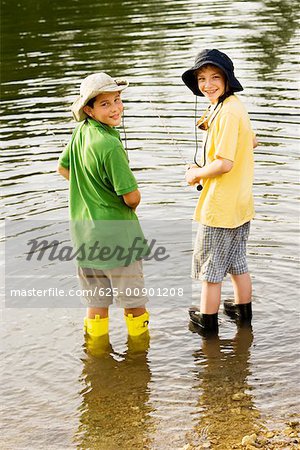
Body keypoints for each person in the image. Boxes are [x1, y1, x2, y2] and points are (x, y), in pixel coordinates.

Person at [57, 72, 149, 341]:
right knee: (133, 302)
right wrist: (113, 197)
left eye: (118, 100)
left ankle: (96, 356)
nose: (116, 108)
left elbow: (63, 168)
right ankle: (138, 357)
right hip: (118, 238)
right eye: (105, 104)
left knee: (96, 302)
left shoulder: (80, 132)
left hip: (85, 236)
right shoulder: (109, 144)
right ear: (89, 109)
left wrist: (90, 188)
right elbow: (131, 197)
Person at [182, 49, 257, 335]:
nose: (208, 84)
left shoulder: (225, 112)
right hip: (241, 203)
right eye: (202, 78)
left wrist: (195, 174)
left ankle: (207, 322)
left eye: (215, 77)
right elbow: (252, 141)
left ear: (227, 79)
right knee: (237, 262)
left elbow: (224, 163)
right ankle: (242, 313)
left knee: (209, 272)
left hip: (220, 206)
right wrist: (211, 128)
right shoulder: (233, 106)